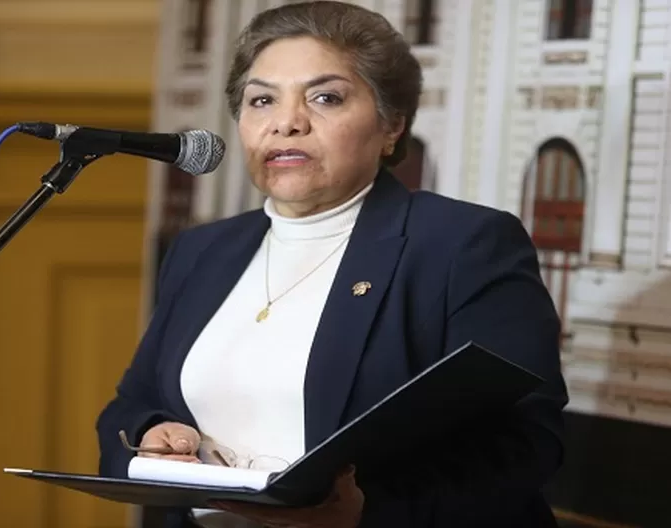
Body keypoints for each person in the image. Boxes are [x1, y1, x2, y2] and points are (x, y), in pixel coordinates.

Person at [96, 2, 569, 527]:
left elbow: (527, 439)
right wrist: (151, 435)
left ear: (391, 125)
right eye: (261, 100)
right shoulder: (203, 250)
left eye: (325, 97)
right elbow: (131, 403)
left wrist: (370, 515)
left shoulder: (462, 245)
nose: (287, 123)